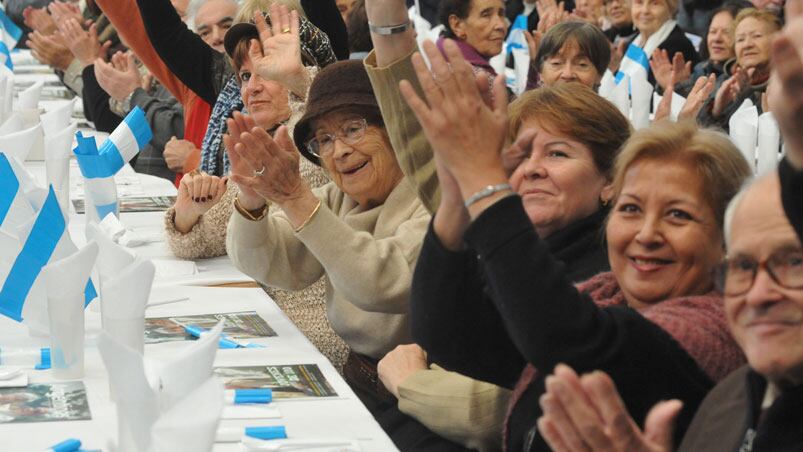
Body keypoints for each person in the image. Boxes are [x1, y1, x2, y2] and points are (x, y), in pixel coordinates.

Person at [402, 37, 750, 451]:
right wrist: (456, 199)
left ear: (727, 239)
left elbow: (567, 340)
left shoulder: (712, 333)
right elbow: (450, 334)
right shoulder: (603, 295)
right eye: (632, 209)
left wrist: (485, 183)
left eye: (678, 215)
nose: (646, 234)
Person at [529, 3, 803, 450]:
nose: (760, 292)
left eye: (793, 262)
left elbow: (565, 339)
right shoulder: (732, 402)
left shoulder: (707, 347)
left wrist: (479, 188)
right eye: (744, 267)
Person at [376, 84, 631, 452]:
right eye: (518, 157)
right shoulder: (512, 251)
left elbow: (508, 385)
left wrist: (412, 385)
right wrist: (454, 200)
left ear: (610, 181)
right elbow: (444, 335)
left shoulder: (607, 275)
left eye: (557, 153)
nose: (532, 170)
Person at [225, 59, 430, 409]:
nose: (340, 150)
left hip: (419, 396)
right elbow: (276, 263)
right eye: (325, 139)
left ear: (395, 128)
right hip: (357, 381)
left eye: (353, 129)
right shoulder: (341, 197)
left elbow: (382, 282)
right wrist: (253, 196)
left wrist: (296, 198)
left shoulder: (432, 197)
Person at [163, 6, 349, 371]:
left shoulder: (326, 138)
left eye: (267, 72)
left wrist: (302, 80)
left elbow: (335, 112)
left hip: (318, 340)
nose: (253, 86)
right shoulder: (258, 143)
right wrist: (187, 213)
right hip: (269, 326)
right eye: (246, 75)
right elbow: (204, 238)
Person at [698, 7, 781, 131]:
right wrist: (716, 110)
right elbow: (702, 135)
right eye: (740, 39)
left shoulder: (790, 86)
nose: (747, 45)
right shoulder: (725, 82)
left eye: (757, 36)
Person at [616, 0, 699, 86]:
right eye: (639, 2)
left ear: (670, 9)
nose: (645, 11)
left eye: (655, 3)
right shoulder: (633, 42)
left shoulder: (678, 46)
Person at [535, 21, 612, 88]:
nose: (567, 74)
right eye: (556, 63)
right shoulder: (526, 104)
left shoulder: (608, 105)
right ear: (540, 73)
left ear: (599, 75)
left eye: (582, 64)